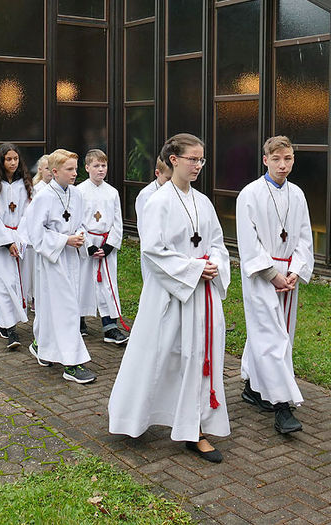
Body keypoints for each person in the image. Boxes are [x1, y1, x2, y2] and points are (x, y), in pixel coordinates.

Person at [108, 133, 231, 463]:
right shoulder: (158, 202)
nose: (198, 166)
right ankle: (134, 417)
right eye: (193, 159)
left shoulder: (203, 202)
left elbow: (217, 242)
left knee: (198, 361)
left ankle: (194, 429)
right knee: (159, 357)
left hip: (202, 296)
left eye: (201, 159)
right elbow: (153, 250)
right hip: (171, 297)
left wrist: (214, 263)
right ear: (173, 160)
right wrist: (193, 268)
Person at [236, 136, 314, 435]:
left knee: (277, 332)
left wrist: (295, 270)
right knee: (271, 335)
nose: (283, 165)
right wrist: (272, 274)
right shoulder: (250, 194)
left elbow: (305, 237)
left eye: (289, 159)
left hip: (288, 274)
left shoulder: (297, 195)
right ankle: (283, 406)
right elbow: (248, 241)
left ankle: (253, 387)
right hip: (263, 274)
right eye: (277, 159)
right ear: (265, 159)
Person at [22, 149, 96, 384]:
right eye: (70, 169)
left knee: (57, 307)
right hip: (52, 260)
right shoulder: (43, 197)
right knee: (66, 310)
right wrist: (64, 240)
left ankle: (41, 345)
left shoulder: (77, 194)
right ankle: (72, 363)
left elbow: (84, 221)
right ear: (55, 172)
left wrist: (81, 236)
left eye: (76, 168)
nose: (75, 173)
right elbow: (35, 231)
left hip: (72, 258)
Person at [0, 143, 34, 349]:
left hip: (21, 237)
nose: (12, 163)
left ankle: (2, 324)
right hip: (0, 241)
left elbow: (30, 213)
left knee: (20, 283)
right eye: (8, 159)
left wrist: (20, 238)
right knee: (3, 284)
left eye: (15, 159)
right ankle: (10, 330)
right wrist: (7, 241)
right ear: (0, 162)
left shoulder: (26, 184)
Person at [76, 149, 128, 344]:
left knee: (107, 285)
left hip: (106, 246)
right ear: (87, 167)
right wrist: (88, 245)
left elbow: (117, 221)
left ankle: (110, 326)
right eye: (96, 166)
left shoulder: (112, 192)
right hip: (86, 246)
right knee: (82, 283)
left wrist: (109, 246)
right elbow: (77, 221)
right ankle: (78, 322)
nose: (100, 169)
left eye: (103, 165)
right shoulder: (79, 192)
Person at [134, 158, 173, 281]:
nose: (171, 183)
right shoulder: (146, 195)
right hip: (154, 248)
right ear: (157, 173)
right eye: (168, 179)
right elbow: (144, 228)